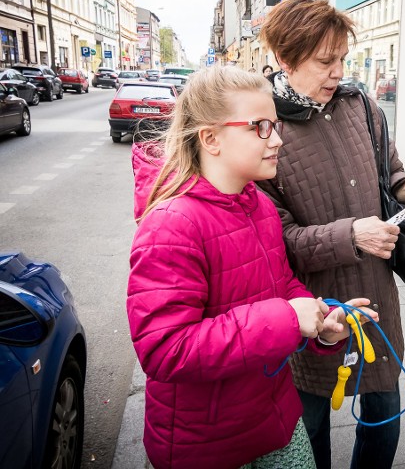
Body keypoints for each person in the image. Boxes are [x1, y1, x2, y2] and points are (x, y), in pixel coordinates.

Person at [126, 66, 377, 469]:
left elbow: (281, 284)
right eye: (260, 127)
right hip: (207, 447)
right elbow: (164, 351)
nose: (277, 139)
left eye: (275, 125)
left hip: (274, 420)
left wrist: (321, 323)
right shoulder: (172, 224)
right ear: (211, 138)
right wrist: (285, 319)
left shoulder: (257, 204)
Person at [256, 0, 405, 469]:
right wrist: (351, 236)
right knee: (310, 427)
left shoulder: (361, 105)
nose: (339, 71)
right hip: (311, 310)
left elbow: (390, 171)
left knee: (384, 419)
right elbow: (274, 241)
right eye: (325, 61)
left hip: (376, 299)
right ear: (283, 58)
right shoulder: (263, 129)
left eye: (342, 58)